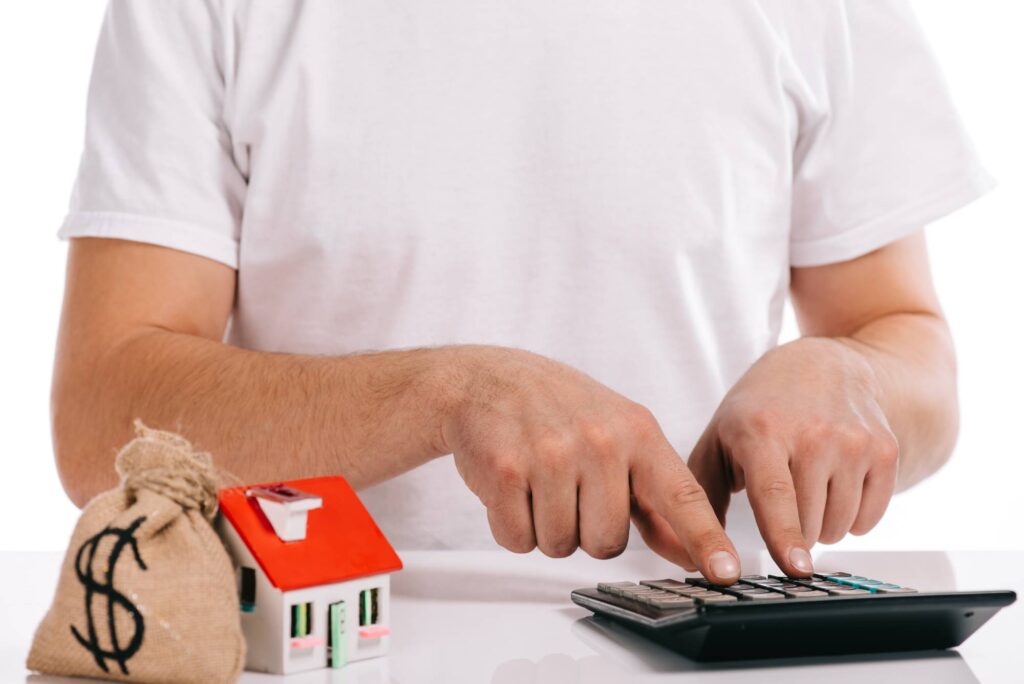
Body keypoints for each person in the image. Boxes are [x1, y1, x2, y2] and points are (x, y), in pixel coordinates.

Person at [51, 0, 991, 586]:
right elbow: (102, 421)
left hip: (712, 641)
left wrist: (847, 374)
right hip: (326, 646)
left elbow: (906, 346)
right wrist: (444, 397)